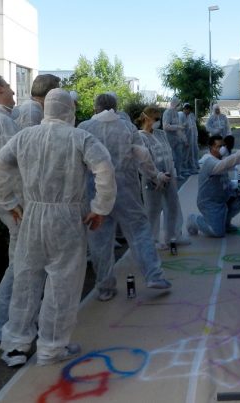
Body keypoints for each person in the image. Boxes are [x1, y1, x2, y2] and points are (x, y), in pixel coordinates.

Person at [0, 89, 117, 367]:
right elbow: (104, 168)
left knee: (26, 280)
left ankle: (15, 345)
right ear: (69, 110)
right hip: (67, 218)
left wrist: (8, 201)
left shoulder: (24, 136)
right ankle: (51, 346)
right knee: (62, 283)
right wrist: (100, 208)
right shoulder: (80, 138)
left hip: (32, 214)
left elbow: (0, 164)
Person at [79, 94, 172, 301]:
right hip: (126, 191)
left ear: (95, 108)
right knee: (139, 231)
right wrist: (155, 175)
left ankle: (105, 287)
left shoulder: (84, 128)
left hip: (95, 193)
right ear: (116, 108)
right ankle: (153, 275)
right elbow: (143, 157)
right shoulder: (127, 127)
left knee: (99, 240)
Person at [136, 106, 186, 249]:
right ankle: (153, 240)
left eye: (159, 118)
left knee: (173, 206)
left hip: (169, 176)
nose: (158, 121)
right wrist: (156, 176)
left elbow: (168, 155)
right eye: (156, 118)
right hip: (152, 180)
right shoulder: (140, 137)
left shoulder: (160, 134)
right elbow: (143, 161)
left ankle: (173, 236)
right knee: (153, 210)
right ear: (146, 118)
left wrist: (171, 171)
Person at [186, 135, 240, 237]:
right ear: (211, 148)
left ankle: (225, 223)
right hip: (209, 202)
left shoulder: (219, 160)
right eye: (218, 146)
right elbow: (224, 165)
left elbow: (229, 170)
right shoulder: (208, 161)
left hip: (222, 198)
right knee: (217, 232)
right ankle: (194, 220)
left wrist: (236, 186)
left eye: (223, 145)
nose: (222, 149)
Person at [0, 76, 20, 341]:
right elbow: (4, 167)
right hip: (11, 202)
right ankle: (3, 322)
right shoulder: (2, 121)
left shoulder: (6, 119)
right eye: (9, 86)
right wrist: (12, 203)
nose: (14, 91)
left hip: (11, 201)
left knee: (21, 259)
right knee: (20, 261)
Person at [162, 96, 187, 181]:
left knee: (179, 157)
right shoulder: (167, 112)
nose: (179, 106)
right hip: (169, 138)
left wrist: (183, 138)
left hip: (177, 138)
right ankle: (171, 175)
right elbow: (166, 126)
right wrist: (177, 127)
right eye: (178, 104)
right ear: (175, 103)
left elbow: (178, 127)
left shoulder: (176, 113)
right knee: (172, 158)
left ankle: (178, 174)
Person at [179, 103, 199, 175]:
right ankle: (182, 170)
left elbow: (191, 129)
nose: (189, 112)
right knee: (183, 155)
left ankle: (187, 168)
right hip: (182, 140)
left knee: (189, 154)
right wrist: (185, 140)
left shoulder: (187, 116)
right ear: (185, 109)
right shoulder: (181, 115)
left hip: (188, 139)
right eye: (188, 110)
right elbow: (180, 130)